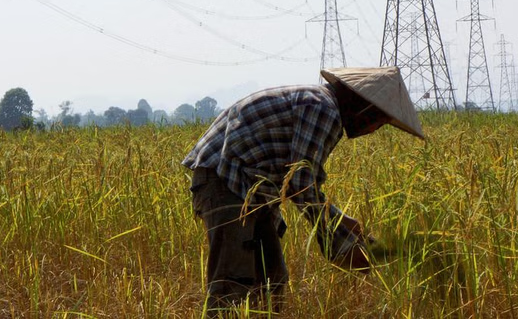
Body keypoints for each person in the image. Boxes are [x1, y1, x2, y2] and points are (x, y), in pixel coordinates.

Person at [182, 66, 424, 314]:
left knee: (272, 278)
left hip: (251, 189)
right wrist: (341, 243)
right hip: (226, 180)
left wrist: (342, 222)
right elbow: (301, 184)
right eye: (377, 121)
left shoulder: (320, 104)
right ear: (363, 106)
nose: (372, 130)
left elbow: (298, 181)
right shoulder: (323, 109)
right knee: (233, 281)